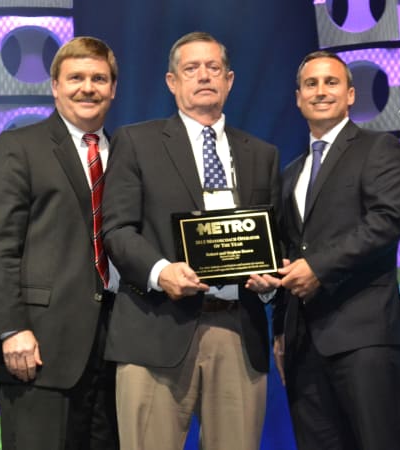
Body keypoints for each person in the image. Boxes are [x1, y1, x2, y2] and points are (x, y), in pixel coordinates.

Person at [101, 31, 281, 450]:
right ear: (172, 81)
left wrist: (270, 281)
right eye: (191, 68)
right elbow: (117, 230)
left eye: (213, 68)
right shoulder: (137, 142)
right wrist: (161, 272)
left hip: (237, 330)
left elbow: (275, 238)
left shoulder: (262, 154)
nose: (204, 76)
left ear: (229, 80)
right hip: (156, 327)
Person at [0, 36, 119, 449]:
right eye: (75, 78)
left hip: (116, 350)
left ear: (113, 88)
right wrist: (11, 328)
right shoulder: (19, 147)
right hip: (37, 348)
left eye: (99, 78)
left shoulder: (128, 153)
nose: (87, 88)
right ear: (55, 86)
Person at [272, 50, 400, 450]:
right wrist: (280, 328)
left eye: (331, 82)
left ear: (350, 95)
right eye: (310, 84)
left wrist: (317, 267)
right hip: (303, 346)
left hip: (365, 336)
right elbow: (288, 248)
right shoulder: (290, 173)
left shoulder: (379, 148)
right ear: (298, 98)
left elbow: (385, 221)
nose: (320, 91)